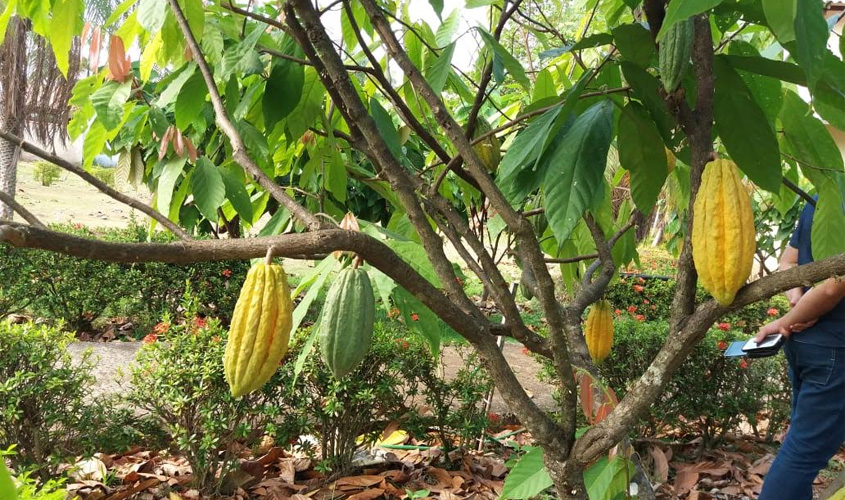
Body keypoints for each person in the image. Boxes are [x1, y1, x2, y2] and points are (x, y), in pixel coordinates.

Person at [756, 199, 845, 500]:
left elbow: (788, 262)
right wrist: (795, 314)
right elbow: (834, 286)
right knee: (803, 455)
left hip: (805, 346)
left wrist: (798, 302)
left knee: (801, 446)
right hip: (834, 351)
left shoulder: (820, 198)